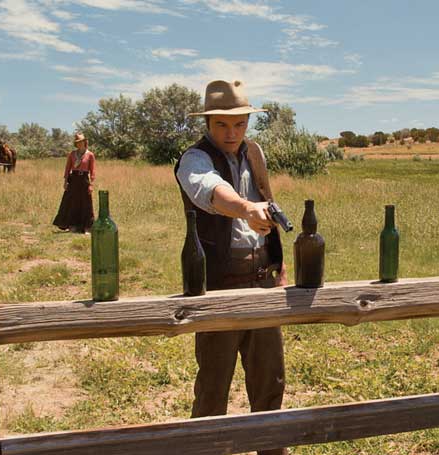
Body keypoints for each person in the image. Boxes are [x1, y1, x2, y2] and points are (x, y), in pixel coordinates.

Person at [174, 80, 289, 455]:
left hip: (262, 282)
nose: (231, 133)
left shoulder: (255, 153)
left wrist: (278, 265)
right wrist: (245, 208)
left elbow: (265, 202)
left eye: (239, 124)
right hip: (220, 285)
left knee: (270, 383)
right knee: (213, 390)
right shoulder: (194, 158)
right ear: (208, 122)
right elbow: (209, 190)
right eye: (222, 124)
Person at [52, 132, 96, 233]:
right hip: (73, 180)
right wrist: (65, 181)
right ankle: (73, 225)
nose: (80, 143)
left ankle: (87, 227)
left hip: (84, 180)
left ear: (85, 142)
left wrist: (91, 184)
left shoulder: (90, 155)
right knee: (72, 202)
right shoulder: (72, 154)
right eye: (78, 142)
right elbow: (67, 169)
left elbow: (93, 171)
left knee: (86, 203)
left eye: (81, 141)